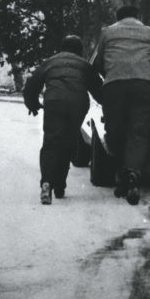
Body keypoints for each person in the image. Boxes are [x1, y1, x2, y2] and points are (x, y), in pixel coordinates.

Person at [23, 34, 103, 205]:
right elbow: (98, 90)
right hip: (77, 104)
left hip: (54, 102)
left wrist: (33, 105)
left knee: (51, 142)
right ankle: (59, 185)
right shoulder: (84, 65)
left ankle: (46, 183)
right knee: (68, 142)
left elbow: (32, 84)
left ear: (62, 48)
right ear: (80, 50)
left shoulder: (50, 62)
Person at [93, 4, 150, 206]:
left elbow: (98, 63)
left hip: (115, 86)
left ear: (117, 17)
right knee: (138, 132)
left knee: (116, 132)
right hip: (144, 86)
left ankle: (121, 174)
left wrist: (110, 76)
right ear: (137, 16)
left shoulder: (108, 32)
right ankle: (133, 173)